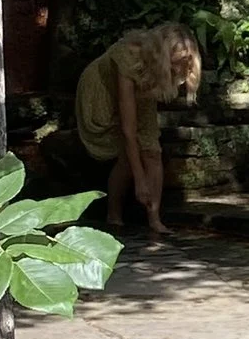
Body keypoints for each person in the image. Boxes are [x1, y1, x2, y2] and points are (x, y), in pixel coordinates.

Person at [72, 22, 201, 239]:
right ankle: (114, 215)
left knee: (153, 151)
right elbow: (129, 130)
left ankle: (155, 219)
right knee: (126, 155)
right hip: (102, 92)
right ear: (162, 54)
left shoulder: (160, 69)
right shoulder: (127, 58)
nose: (179, 66)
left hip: (141, 90)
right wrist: (140, 180)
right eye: (176, 60)